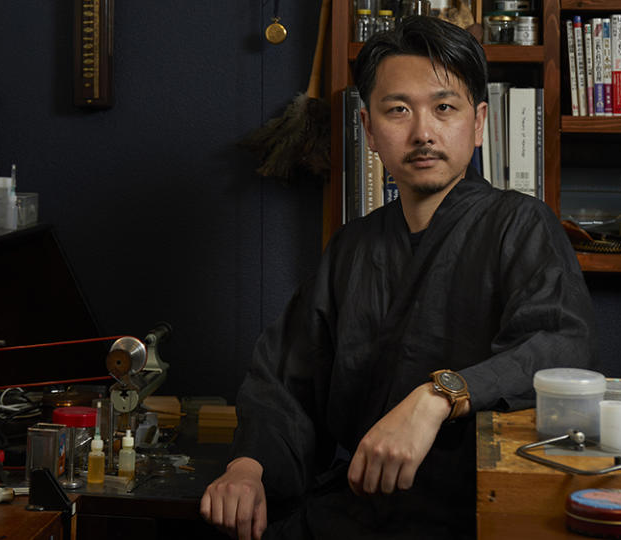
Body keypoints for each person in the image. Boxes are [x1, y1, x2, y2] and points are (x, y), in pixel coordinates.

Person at [200, 16, 596, 540]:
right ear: (368, 128)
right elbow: (286, 383)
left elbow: (558, 347)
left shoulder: (520, 225)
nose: (423, 132)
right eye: (398, 110)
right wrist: (248, 468)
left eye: (444, 107)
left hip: (475, 516)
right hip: (359, 511)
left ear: (478, 124)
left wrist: (438, 398)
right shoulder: (352, 247)